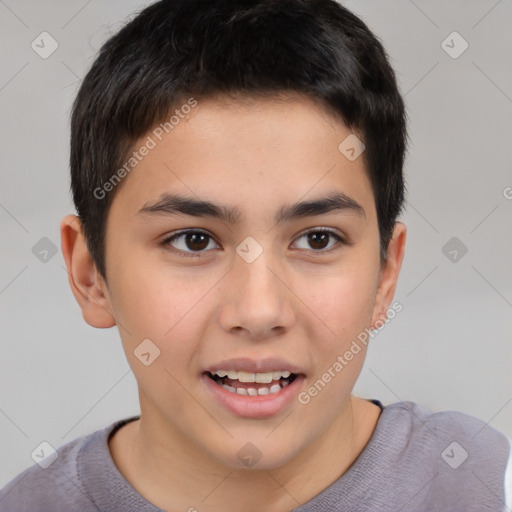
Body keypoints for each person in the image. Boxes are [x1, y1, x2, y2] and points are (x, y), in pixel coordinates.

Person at [1, 0, 510, 510]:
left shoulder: (484, 486)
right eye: (193, 240)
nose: (260, 311)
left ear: (385, 273)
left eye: (317, 239)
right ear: (91, 275)